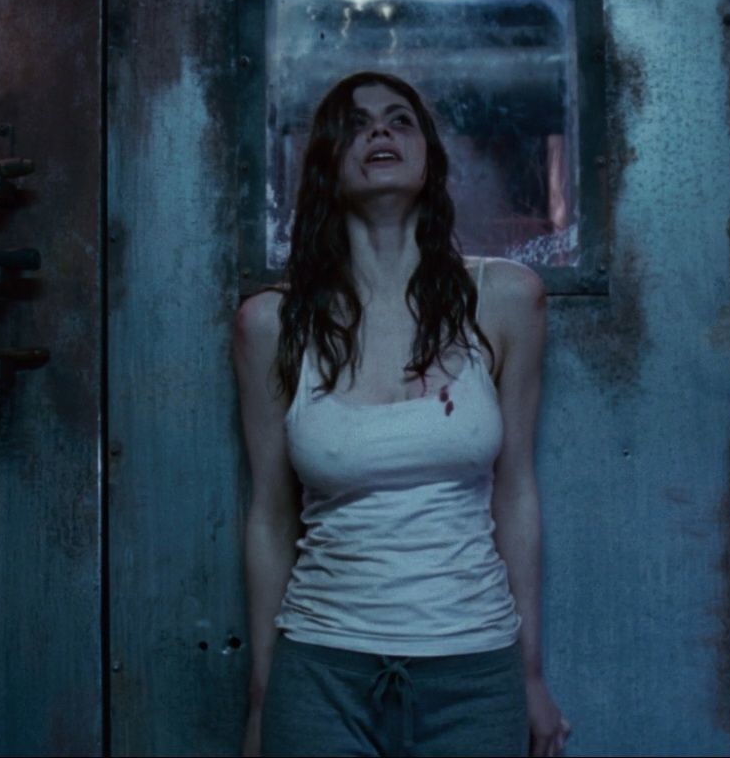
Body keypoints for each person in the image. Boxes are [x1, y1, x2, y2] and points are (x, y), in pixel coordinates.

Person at [233, 71, 572, 757]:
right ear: (326, 161)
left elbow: (516, 493)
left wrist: (531, 674)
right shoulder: (271, 323)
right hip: (322, 671)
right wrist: (263, 699)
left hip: (473, 671)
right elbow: (269, 515)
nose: (379, 132)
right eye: (356, 125)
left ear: (430, 158)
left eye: (399, 120)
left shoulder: (506, 299)